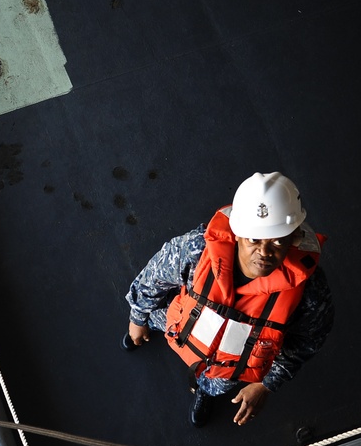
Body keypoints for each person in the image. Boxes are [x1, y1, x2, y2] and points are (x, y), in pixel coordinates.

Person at [123, 172, 334, 428]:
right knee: (150, 315)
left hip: (226, 367)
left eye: (278, 241)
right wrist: (137, 318)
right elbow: (152, 279)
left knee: (214, 385)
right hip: (176, 324)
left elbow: (307, 342)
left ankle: (205, 392)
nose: (265, 253)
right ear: (237, 233)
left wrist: (265, 385)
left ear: (294, 237)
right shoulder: (195, 250)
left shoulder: (309, 291)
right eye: (254, 239)